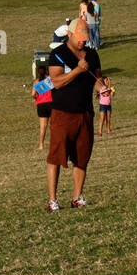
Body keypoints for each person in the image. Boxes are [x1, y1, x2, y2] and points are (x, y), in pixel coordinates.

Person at [46, 16, 103, 212]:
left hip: (85, 113)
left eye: (85, 38)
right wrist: (77, 70)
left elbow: (97, 79)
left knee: (82, 157)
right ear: (69, 34)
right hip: (63, 113)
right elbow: (57, 82)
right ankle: (52, 200)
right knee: (56, 157)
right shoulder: (58, 54)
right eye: (79, 37)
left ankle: (77, 197)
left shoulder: (92, 54)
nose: (82, 41)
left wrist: (103, 87)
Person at [33, 66, 53, 150]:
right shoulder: (50, 79)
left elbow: (33, 94)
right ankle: (53, 144)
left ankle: (41, 145)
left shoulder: (36, 82)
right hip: (51, 103)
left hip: (41, 105)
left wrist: (36, 98)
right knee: (53, 125)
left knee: (43, 126)